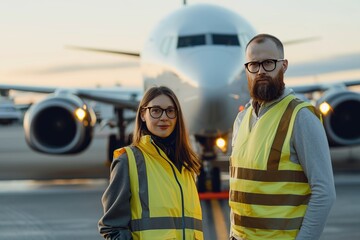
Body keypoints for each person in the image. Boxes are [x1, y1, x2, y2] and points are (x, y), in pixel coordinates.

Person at [229, 34, 336, 240]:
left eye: (268, 63)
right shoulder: (241, 119)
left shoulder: (301, 117)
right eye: (254, 64)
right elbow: (239, 188)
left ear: (283, 65)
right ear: (247, 69)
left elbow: (324, 192)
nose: (260, 71)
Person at [98, 86, 203, 240]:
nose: (164, 117)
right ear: (143, 114)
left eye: (170, 110)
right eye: (156, 110)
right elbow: (112, 227)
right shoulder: (129, 160)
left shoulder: (186, 165)